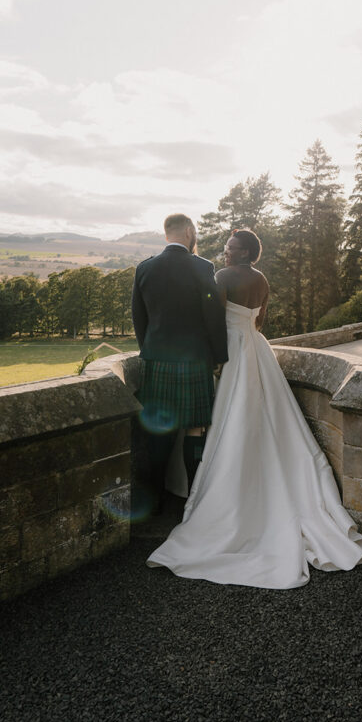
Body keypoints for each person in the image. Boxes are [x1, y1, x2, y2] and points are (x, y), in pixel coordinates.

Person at [147, 228, 362, 587]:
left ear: (245, 253)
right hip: (256, 346)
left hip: (233, 350)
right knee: (265, 413)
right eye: (225, 247)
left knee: (229, 417)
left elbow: (212, 319)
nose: (225, 252)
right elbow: (260, 321)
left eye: (231, 248)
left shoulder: (222, 277)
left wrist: (215, 356)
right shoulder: (261, 278)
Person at [131, 213, 228, 515]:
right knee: (195, 428)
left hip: (157, 360)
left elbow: (139, 317)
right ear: (189, 232)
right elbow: (213, 318)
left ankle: (156, 499)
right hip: (194, 360)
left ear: (166, 234)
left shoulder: (144, 268)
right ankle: (194, 497)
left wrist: (150, 349)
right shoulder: (202, 267)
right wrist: (219, 357)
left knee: (159, 431)